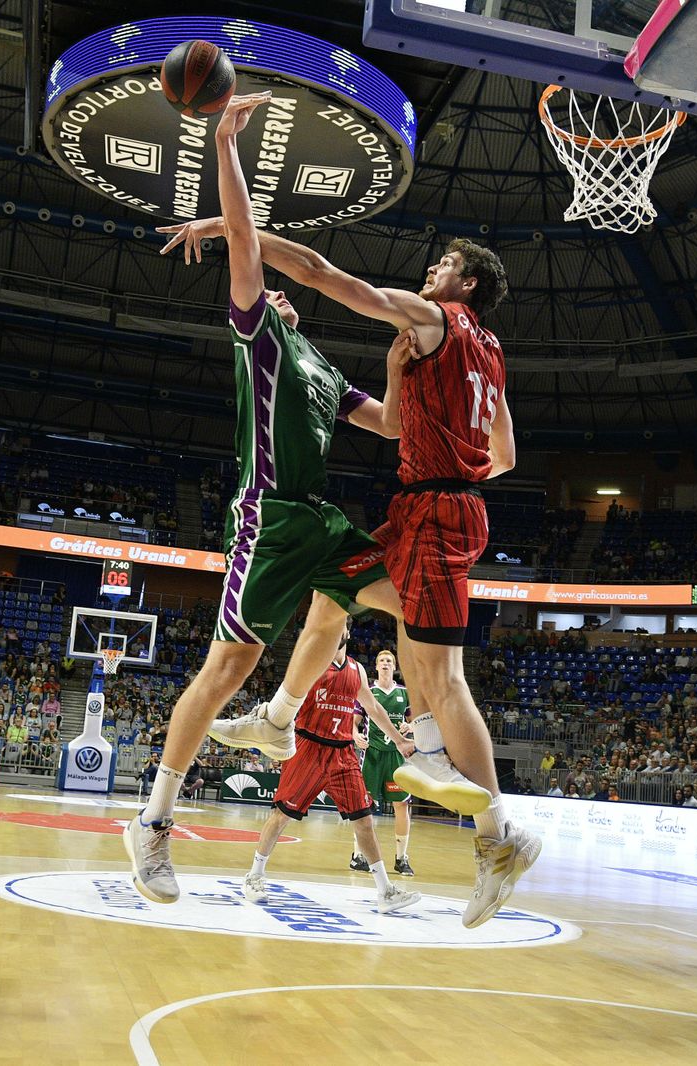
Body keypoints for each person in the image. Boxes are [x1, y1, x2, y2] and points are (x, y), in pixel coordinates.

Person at [162, 93, 536, 929]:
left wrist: (232, 231)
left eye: (441, 263)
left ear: (464, 283)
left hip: (437, 515)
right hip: (426, 508)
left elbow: (332, 279)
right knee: (332, 598)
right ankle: (277, 717)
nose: (430, 270)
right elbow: (504, 455)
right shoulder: (493, 361)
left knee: (440, 679)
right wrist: (438, 427)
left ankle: (498, 835)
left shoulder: (442, 319)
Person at [122, 92, 452, 908]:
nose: (265, 286)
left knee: (414, 605)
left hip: (321, 522)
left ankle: (364, 731)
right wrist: (223, 142)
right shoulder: (257, 336)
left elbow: (393, 430)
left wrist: (399, 367)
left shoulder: (320, 367)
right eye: (258, 283)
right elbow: (244, 240)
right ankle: (154, 821)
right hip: (266, 519)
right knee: (223, 666)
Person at [242, 626, 420, 915]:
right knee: (281, 815)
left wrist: (399, 740)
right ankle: (255, 875)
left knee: (364, 820)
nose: (336, 627)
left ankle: (385, 890)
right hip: (308, 747)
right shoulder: (310, 661)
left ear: (348, 632)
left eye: (342, 623)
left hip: (342, 752)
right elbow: (285, 702)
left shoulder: (356, 670)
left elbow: (372, 707)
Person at [355, 648, 419, 876]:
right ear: (376, 666)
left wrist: (411, 727)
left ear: (394, 666)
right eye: (381, 660)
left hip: (396, 758)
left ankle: (402, 858)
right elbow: (354, 722)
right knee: (364, 806)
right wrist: (355, 734)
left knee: (401, 805)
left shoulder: (405, 693)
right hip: (372, 755)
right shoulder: (367, 691)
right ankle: (358, 855)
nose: (385, 663)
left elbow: (417, 721)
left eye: (389, 661)